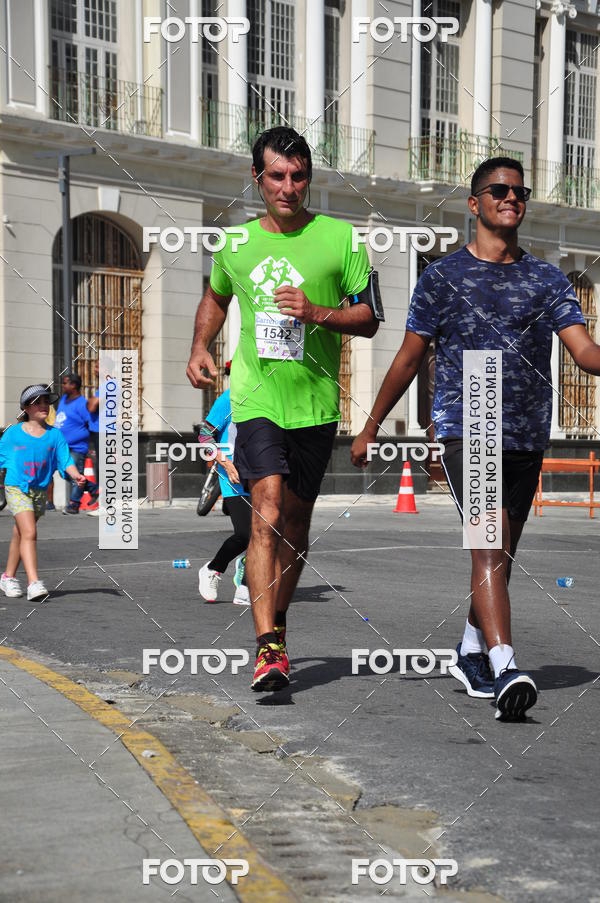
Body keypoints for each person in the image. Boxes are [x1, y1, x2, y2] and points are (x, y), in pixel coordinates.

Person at [351, 156, 600, 721]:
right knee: (488, 543)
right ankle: (505, 661)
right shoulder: (442, 278)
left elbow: (584, 353)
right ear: (475, 203)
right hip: (471, 424)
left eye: (519, 191)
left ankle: (468, 652)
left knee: (503, 552)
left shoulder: (547, 278)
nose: (510, 198)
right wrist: (369, 426)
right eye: (498, 190)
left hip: (527, 431)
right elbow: (410, 358)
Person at [186, 126, 380, 692]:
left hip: (315, 403)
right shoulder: (235, 244)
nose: (288, 186)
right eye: (276, 175)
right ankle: (267, 648)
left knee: (295, 527)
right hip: (256, 398)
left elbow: (369, 317)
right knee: (265, 508)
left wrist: (317, 312)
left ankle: (278, 624)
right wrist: (200, 345)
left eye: (298, 176)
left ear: (309, 179)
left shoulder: (342, 239)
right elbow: (215, 299)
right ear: (257, 178)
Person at [0, 384, 86, 600]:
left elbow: (65, 460)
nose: (44, 405)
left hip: (39, 490)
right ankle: (33, 583)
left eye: (47, 401)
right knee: (29, 533)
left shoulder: (55, 436)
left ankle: (8, 577)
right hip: (16, 488)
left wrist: (76, 475)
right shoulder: (12, 434)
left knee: (20, 533)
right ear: (26, 407)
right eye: (38, 402)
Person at [197, 363, 252, 606]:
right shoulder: (229, 399)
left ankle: (246, 586)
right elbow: (204, 434)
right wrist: (224, 462)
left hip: (261, 474)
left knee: (268, 535)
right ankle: (213, 569)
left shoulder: (268, 397)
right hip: (232, 475)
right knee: (246, 533)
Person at [55, 372, 96, 514]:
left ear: (74, 385)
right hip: (63, 446)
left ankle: (74, 504)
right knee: (65, 473)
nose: (63, 385)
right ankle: (93, 489)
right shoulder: (64, 399)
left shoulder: (81, 403)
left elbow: (88, 423)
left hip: (77, 447)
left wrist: (89, 445)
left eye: (66, 383)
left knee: (76, 474)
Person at [86, 359, 101, 514]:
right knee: (101, 467)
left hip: (104, 432)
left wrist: (91, 401)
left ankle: (104, 504)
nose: (95, 369)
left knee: (104, 468)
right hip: (97, 431)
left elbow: (91, 406)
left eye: (98, 366)